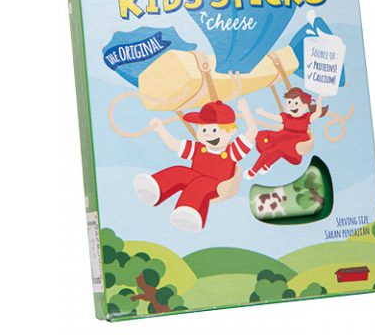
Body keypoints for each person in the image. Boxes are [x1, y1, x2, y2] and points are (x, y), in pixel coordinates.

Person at [133, 99, 257, 232]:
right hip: (195, 177)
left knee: (200, 185)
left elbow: (252, 132)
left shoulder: (232, 151)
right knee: (179, 171)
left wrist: (245, 111)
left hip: (218, 186)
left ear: (230, 131)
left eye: (214, 130)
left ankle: (189, 212)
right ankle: (156, 189)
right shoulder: (199, 148)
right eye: (203, 129)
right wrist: (160, 130)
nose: (207, 134)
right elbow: (175, 145)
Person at [244, 87, 327, 179]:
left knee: (277, 148)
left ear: (305, 106)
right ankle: (267, 164)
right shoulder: (286, 117)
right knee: (265, 138)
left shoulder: (306, 118)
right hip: (284, 135)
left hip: (298, 139)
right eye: (289, 102)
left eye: (296, 103)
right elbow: (275, 117)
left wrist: (320, 98)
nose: (292, 106)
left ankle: (254, 170)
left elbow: (317, 113)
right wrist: (263, 113)